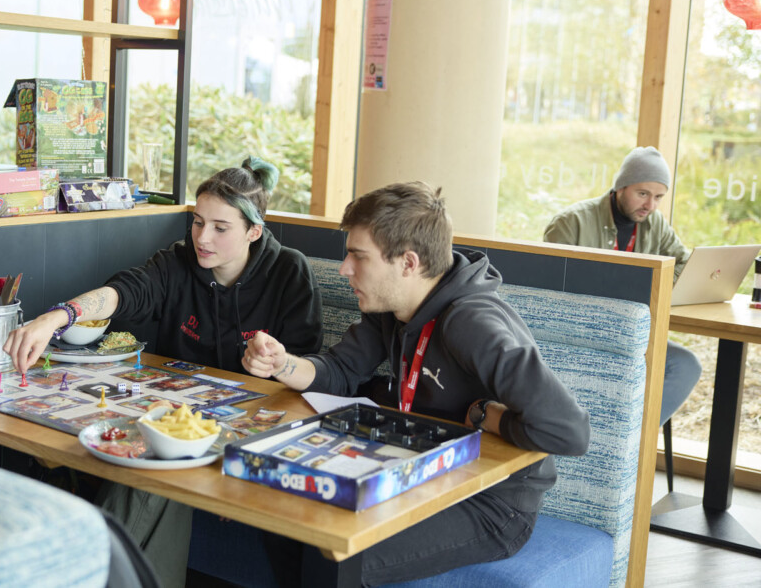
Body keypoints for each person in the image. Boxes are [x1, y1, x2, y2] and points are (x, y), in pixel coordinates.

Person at [242, 181, 590, 585]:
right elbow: (339, 371)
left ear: (408, 263)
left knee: (336, 556)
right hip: (418, 468)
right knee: (290, 521)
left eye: (358, 256)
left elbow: (569, 431)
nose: (344, 269)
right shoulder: (391, 305)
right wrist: (281, 364)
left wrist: (486, 417)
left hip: (490, 501)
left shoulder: (472, 323)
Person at [3, 155, 323, 588]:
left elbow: (309, 375)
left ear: (254, 231)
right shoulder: (177, 262)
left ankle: (84, 571)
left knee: (154, 466)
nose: (201, 238)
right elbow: (125, 292)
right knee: (149, 460)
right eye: (196, 221)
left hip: (255, 431)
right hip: (179, 421)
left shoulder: (290, 272)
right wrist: (59, 317)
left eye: (219, 227)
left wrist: (276, 363)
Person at [543, 146, 701, 425]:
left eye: (658, 197)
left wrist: (648, 287)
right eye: (643, 194)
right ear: (620, 187)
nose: (650, 205)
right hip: (582, 334)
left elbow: (683, 265)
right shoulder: (572, 222)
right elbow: (553, 286)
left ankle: (635, 438)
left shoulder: (655, 224)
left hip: (631, 334)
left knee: (685, 365)